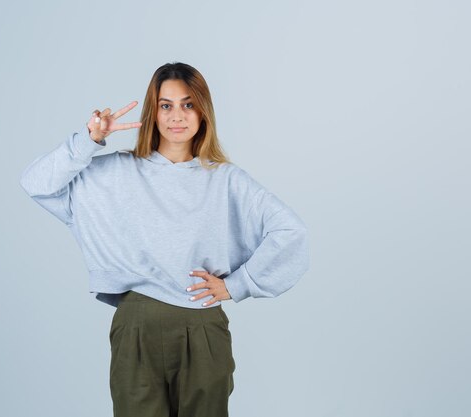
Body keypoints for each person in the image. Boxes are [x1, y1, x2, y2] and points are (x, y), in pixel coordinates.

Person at [19, 62, 310, 417]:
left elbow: (290, 231)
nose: (177, 116)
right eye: (166, 105)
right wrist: (88, 141)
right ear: (152, 112)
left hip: (202, 326)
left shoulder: (227, 180)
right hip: (137, 322)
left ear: (203, 112)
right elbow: (36, 183)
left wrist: (239, 284)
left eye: (188, 104)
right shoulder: (114, 172)